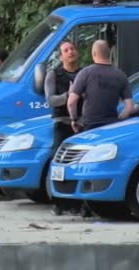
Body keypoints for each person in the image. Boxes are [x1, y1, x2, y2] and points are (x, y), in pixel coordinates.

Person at [45, 41, 85, 216]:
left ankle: (78, 202)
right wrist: (68, 95)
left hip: (82, 124)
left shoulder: (84, 73)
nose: (70, 52)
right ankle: (58, 201)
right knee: (58, 160)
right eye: (66, 50)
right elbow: (51, 100)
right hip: (62, 122)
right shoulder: (54, 75)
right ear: (61, 57)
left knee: (80, 162)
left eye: (72, 49)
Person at [67, 39, 135, 132]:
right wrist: (119, 119)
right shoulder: (120, 75)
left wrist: (74, 120)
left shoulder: (85, 73)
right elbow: (130, 107)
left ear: (94, 54)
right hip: (111, 125)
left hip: (89, 125)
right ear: (108, 54)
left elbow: (71, 102)